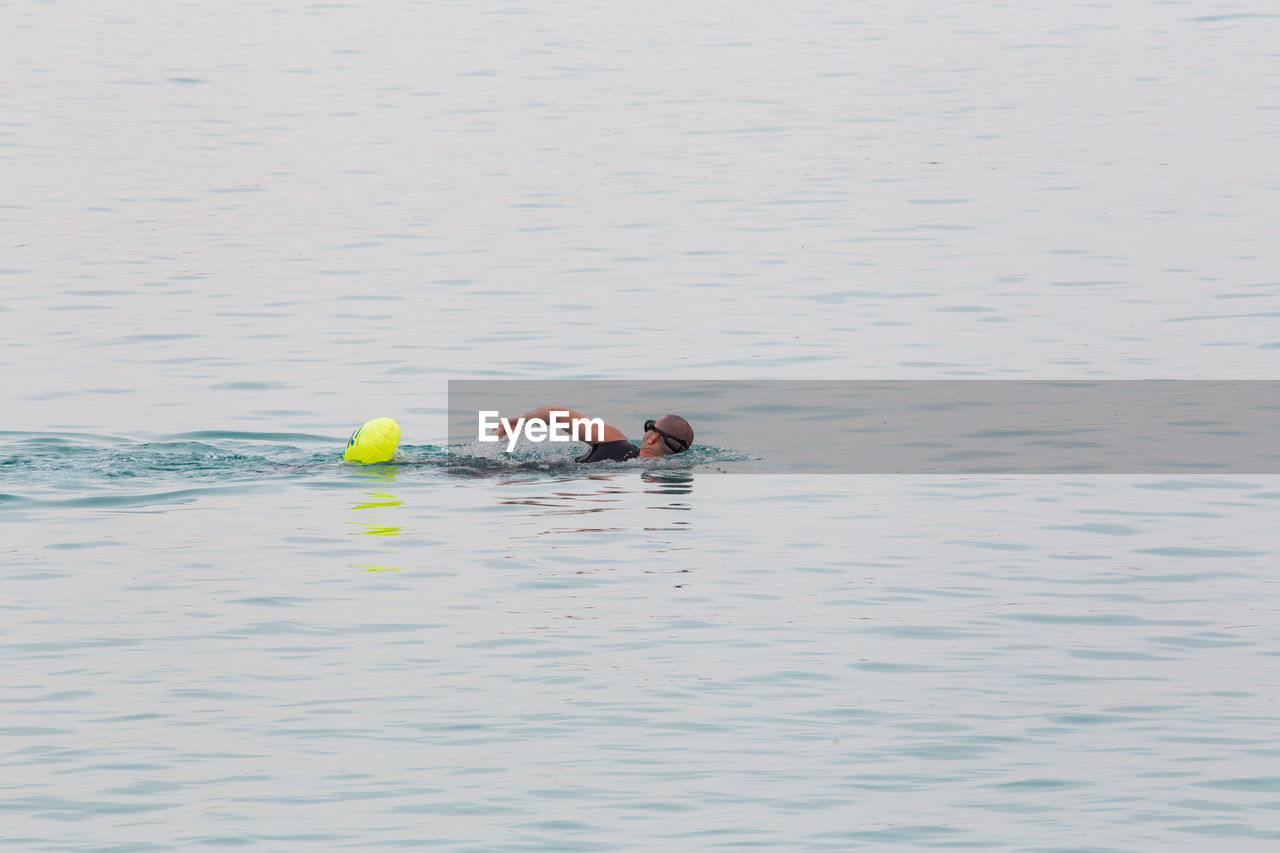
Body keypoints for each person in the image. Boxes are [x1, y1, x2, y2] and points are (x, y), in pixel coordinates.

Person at [495, 405, 694, 462]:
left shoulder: (615, 442)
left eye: (649, 425)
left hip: (515, 472)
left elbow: (554, 414)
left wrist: (516, 422)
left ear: (653, 437)